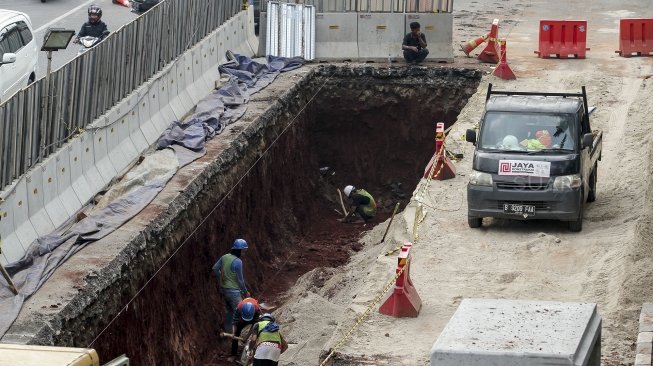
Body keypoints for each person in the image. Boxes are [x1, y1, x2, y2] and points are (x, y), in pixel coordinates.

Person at [213, 238, 251, 333]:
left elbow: (215, 269)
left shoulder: (224, 257)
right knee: (242, 313)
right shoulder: (238, 262)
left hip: (225, 290)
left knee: (230, 312)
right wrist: (246, 292)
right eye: (243, 251)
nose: (244, 254)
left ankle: (228, 332)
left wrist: (221, 280)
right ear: (238, 250)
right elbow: (240, 280)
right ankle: (238, 336)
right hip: (233, 292)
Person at [229, 297, 262, 362]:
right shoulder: (239, 308)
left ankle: (254, 352)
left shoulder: (257, 310)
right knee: (236, 334)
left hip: (252, 317)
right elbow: (234, 321)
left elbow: (254, 326)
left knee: (256, 334)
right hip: (241, 318)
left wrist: (246, 337)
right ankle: (233, 354)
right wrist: (233, 333)